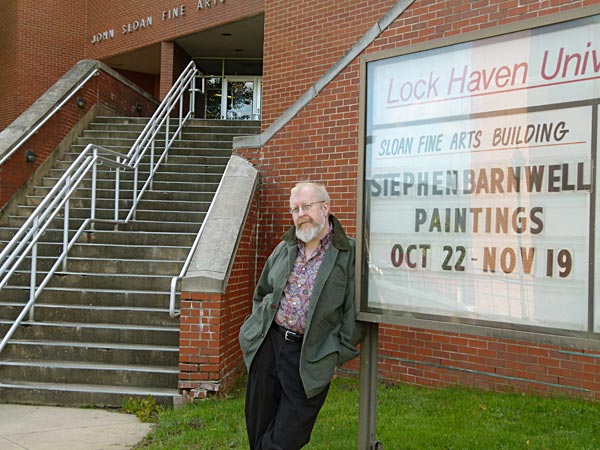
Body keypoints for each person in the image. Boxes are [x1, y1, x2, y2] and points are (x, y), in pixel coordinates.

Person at [239, 181, 362, 450]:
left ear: (325, 208)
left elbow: (354, 314)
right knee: (257, 428)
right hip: (268, 346)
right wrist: (254, 330)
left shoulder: (349, 253)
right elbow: (262, 293)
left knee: (288, 436)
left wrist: (335, 354)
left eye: (306, 206)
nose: (300, 214)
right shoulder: (285, 248)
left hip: (310, 353)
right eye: (295, 209)